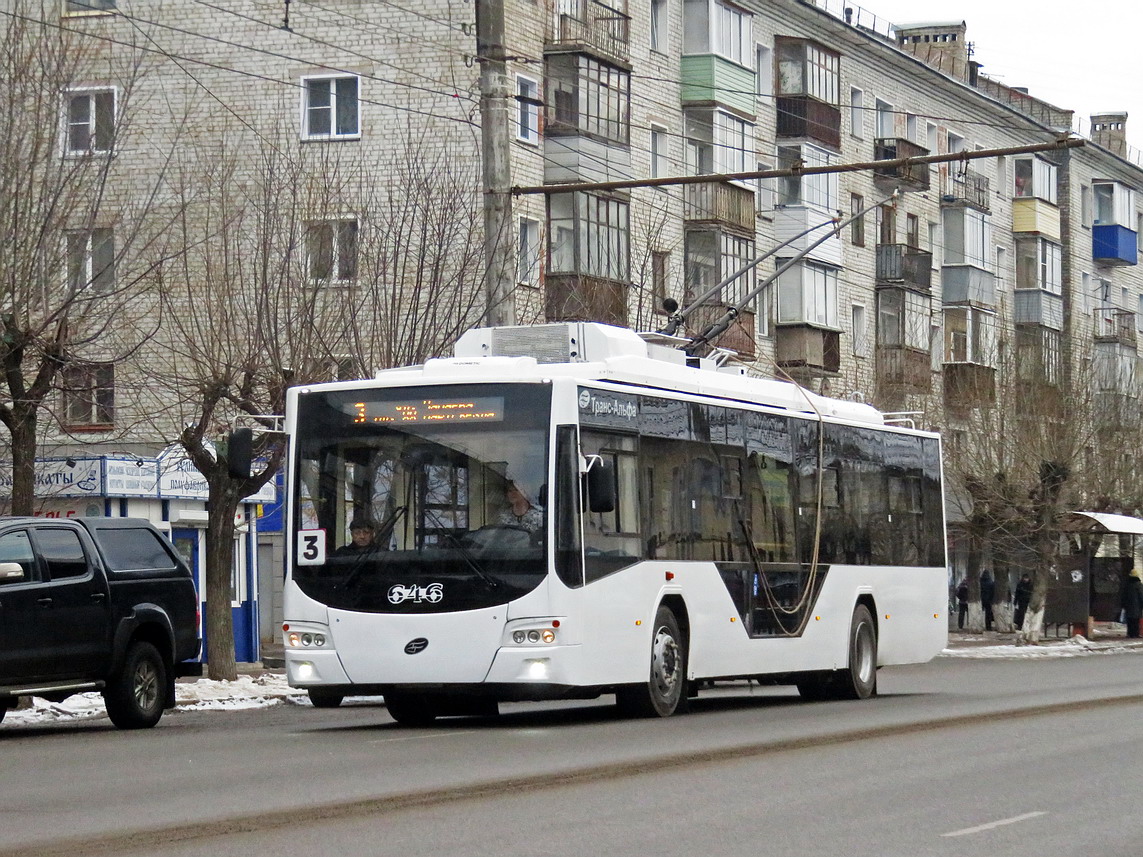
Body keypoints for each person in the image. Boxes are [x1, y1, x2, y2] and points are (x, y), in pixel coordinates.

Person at [1122, 569, 1143, 639]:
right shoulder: (1139, 585)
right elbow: (1141, 595)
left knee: (1129, 621)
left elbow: (1123, 596)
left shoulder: (1127, 585)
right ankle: (1135, 634)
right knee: (1136, 621)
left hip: (1128, 606)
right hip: (1137, 607)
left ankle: (1130, 633)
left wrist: (1123, 605)